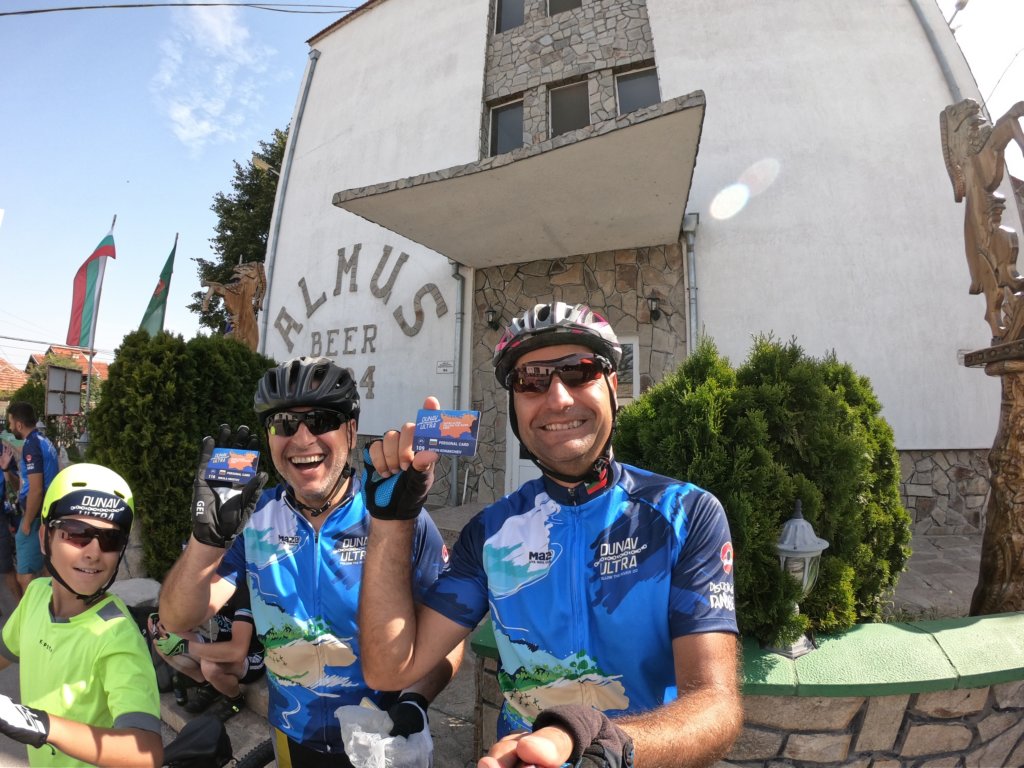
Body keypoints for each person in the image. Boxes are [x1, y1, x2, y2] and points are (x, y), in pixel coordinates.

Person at [360, 302, 743, 768]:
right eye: (532, 380)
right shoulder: (489, 533)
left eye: (580, 372)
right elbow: (390, 668)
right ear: (515, 405)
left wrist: (607, 746)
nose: (558, 398)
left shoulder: (684, 514)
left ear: (612, 387)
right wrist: (392, 519)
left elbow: (716, 706)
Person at [158, 357, 462, 767]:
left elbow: (448, 635)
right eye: (284, 424)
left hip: (384, 738)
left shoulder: (395, 515)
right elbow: (178, 617)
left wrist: (415, 701)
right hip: (291, 733)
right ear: (269, 438)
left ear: (351, 430)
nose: (302, 439)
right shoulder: (252, 519)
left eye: (321, 421)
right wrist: (205, 541)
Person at [0, 463, 163, 767]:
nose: (93, 552)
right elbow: (4, 653)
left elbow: (146, 752)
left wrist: (39, 725)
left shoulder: (117, 636)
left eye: (111, 540)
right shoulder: (36, 595)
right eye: (77, 534)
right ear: (44, 538)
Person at [149, 579, 266, 721]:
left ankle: (235, 700)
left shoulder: (242, 594)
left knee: (209, 665)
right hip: (220, 645)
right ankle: (209, 685)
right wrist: (162, 619)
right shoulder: (208, 587)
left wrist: (185, 645)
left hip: (250, 656)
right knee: (162, 640)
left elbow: (237, 652)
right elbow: (187, 624)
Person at [3, 402, 59, 592]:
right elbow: (27, 484)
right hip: (44, 514)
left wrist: (26, 522)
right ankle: (48, 607)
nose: (10, 427)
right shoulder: (43, 440)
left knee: (25, 577)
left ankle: (33, 609)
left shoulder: (31, 446)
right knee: (45, 571)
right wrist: (7, 470)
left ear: (19, 424)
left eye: (11, 423)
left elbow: (36, 490)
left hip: (34, 517)